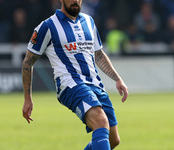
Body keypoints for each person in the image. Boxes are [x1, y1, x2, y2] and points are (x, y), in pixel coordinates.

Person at [22, 0, 128, 150]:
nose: (75, 1)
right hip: (70, 84)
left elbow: (98, 54)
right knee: (100, 121)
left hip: (95, 85)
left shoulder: (89, 21)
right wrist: (28, 98)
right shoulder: (48, 26)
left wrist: (117, 79)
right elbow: (27, 62)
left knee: (113, 140)